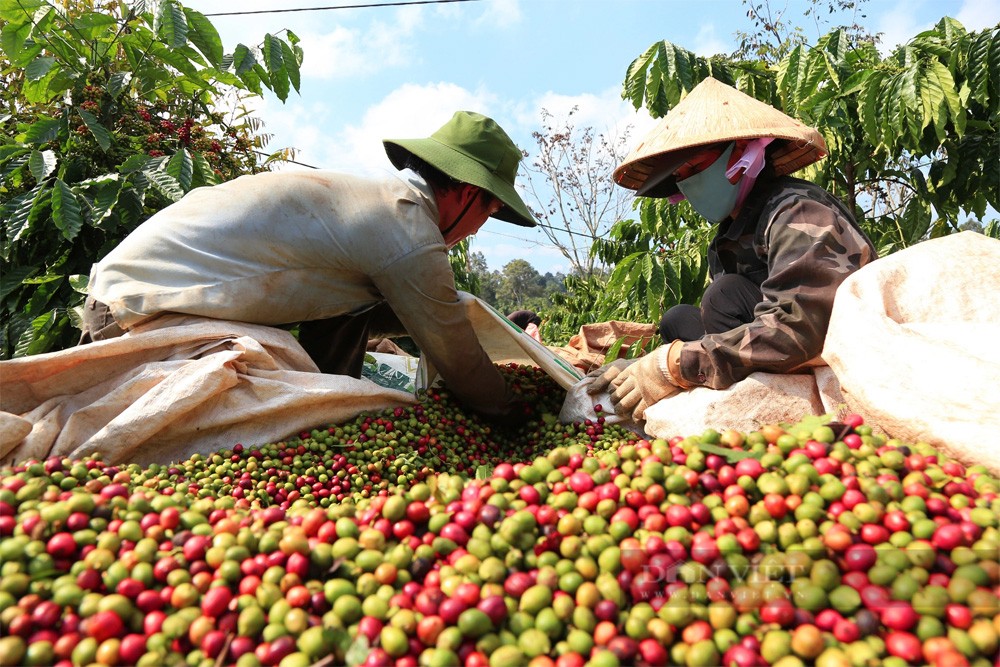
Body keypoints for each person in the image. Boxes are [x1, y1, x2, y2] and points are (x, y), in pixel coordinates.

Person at [81, 110, 538, 419]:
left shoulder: (375, 207)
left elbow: (390, 311)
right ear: (469, 193)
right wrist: (518, 410)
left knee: (351, 310)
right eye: (489, 212)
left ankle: (332, 413)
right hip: (138, 313)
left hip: (127, 294)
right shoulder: (406, 227)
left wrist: (475, 321)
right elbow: (455, 356)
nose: (476, 229)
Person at [590, 77, 877, 421]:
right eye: (681, 176)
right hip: (769, 347)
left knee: (722, 295)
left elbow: (799, 326)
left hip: (823, 347)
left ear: (741, 151)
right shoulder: (727, 237)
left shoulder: (798, 211)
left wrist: (678, 364)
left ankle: (769, 409)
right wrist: (643, 364)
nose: (689, 183)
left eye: (696, 167)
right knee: (678, 319)